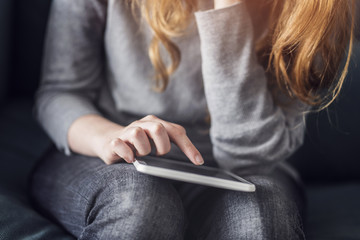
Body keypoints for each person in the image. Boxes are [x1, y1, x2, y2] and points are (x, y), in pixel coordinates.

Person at [30, 0, 356, 239]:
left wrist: (225, 15)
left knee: (258, 215)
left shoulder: (313, 10)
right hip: (110, 152)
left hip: (242, 165)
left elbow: (248, 155)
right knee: (139, 202)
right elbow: (59, 92)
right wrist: (113, 138)